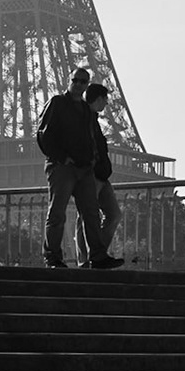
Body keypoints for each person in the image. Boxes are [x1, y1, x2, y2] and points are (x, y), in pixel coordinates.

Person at [36, 66, 121, 269]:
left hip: (84, 169)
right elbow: (43, 135)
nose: (79, 84)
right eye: (76, 80)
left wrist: (91, 161)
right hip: (63, 168)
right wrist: (63, 159)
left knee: (91, 213)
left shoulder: (85, 109)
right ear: (69, 80)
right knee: (57, 213)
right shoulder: (57, 103)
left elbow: (93, 138)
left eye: (84, 82)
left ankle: (97, 256)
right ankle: (53, 257)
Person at [77, 84, 124, 268]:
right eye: (105, 99)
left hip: (102, 176)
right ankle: (86, 260)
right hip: (91, 175)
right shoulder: (83, 119)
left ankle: (97, 255)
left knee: (114, 215)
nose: (106, 103)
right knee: (85, 216)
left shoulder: (93, 120)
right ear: (98, 99)